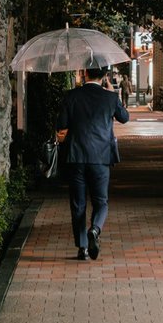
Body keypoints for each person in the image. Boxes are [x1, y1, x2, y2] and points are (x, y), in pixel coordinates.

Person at [57, 65, 130, 261]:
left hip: (76, 156)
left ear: (84, 73)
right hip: (101, 157)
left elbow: (61, 124)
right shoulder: (110, 98)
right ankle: (95, 229)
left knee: (78, 204)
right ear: (104, 76)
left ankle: (82, 248)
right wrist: (113, 93)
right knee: (101, 201)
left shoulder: (71, 96)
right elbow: (124, 118)